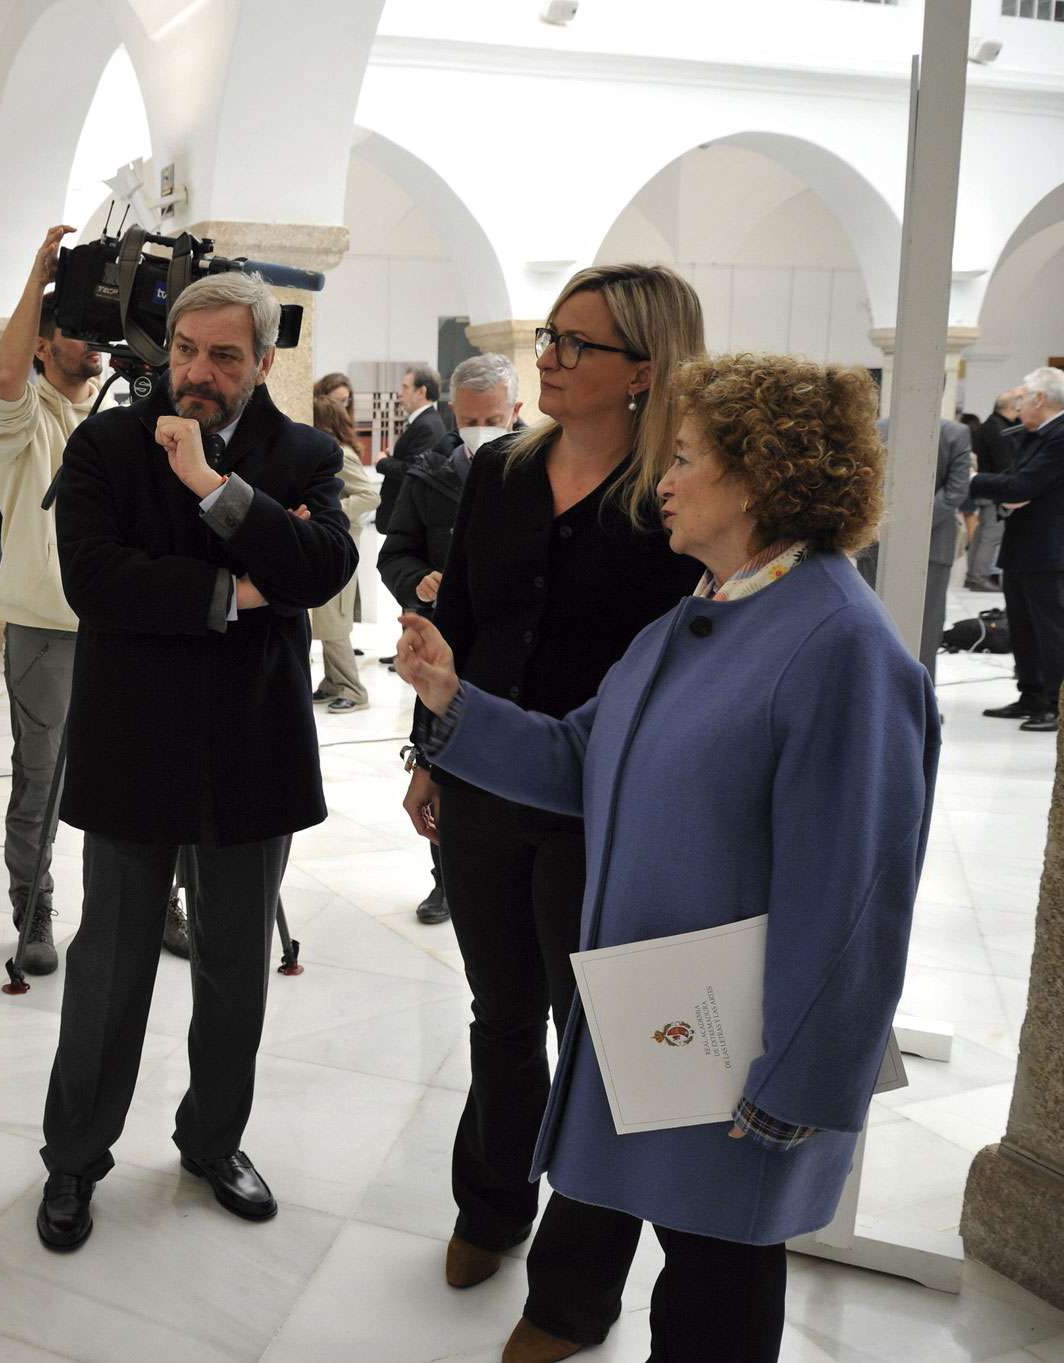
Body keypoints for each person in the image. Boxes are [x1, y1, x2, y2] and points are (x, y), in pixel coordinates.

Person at [396, 352, 937, 1363]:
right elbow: (575, 757)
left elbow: (855, 895)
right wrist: (449, 702)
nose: (664, 482)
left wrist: (795, 1083)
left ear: (759, 477)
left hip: (739, 1041)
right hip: (660, 1009)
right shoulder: (705, 609)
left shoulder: (839, 647)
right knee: (668, 1232)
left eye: (686, 458)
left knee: (716, 1278)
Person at [400, 265, 705, 1349]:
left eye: (577, 344)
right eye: (551, 335)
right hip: (484, 782)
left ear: (644, 372)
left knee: (606, 1042)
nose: (550, 358)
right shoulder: (501, 473)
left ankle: (575, 1292)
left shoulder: (674, 497)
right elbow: (469, 620)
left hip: (609, 808)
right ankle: (489, 1201)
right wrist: (431, 751)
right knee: (498, 1009)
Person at [33, 270, 357, 1252]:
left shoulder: (298, 453)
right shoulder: (106, 445)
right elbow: (96, 582)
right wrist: (237, 592)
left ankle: (212, 1142)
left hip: (250, 749)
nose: (197, 372)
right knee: (109, 973)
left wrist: (216, 493)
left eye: (223, 355)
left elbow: (321, 568)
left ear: (262, 362)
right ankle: (73, 1159)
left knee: (233, 974)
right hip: (133, 747)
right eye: (183, 350)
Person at [0, 225, 104, 975]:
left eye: (98, 334)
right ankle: (34, 907)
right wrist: (37, 277)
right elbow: (1, 375)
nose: (92, 345)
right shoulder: (21, 422)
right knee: (41, 781)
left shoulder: (114, 415)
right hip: (46, 630)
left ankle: (155, 904)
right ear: (44, 343)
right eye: (78, 333)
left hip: (121, 625)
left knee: (144, 769)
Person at [378, 352, 523, 927]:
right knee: (441, 760)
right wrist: (420, 583)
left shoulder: (548, 471)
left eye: (493, 418)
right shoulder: (429, 474)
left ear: (516, 410)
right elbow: (397, 553)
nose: (480, 430)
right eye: (470, 419)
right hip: (445, 651)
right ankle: (445, 876)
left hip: (515, 648)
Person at [974, 366, 1064, 733]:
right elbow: (1015, 486)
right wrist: (1012, 491)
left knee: (1051, 630)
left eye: (1022, 398)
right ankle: (1030, 695)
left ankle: (1055, 705)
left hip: (1050, 551)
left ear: (1040, 399)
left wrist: (973, 481)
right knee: (1023, 628)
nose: (1018, 405)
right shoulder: (1035, 434)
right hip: (1024, 547)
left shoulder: (1059, 436)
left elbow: (1021, 484)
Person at [856, 413, 970, 681]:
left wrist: (896, 525)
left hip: (886, 537)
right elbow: (956, 490)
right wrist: (913, 527)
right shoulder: (956, 433)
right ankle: (915, 697)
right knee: (919, 625)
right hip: (917, 541)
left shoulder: (876, 427)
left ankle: (889, 692)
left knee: (902, 624)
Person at [309, 395, 380, 713]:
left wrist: (332, 513)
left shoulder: (342, 455)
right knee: (326, 617)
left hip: (339, 544)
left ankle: (353, 689)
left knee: (334, 621)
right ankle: (332, 682)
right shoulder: (327, 453)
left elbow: (369, 495)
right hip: (329, 544)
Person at [966, 388, 1024, 591]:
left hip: (984, 487)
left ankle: (973, 574)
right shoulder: (999, 429)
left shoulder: (992, 424)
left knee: (983, 533)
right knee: (991, 535)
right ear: (1011, 407)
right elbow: (1004, 463)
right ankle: (978, 576)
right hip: (993, 490)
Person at [377, 363, 444, 531]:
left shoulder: (427, 425)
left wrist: (383, 462)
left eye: (405, 387)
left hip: (407, 518)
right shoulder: (425, 422)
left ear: (421, 392)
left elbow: (415, 469)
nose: (400, 394)